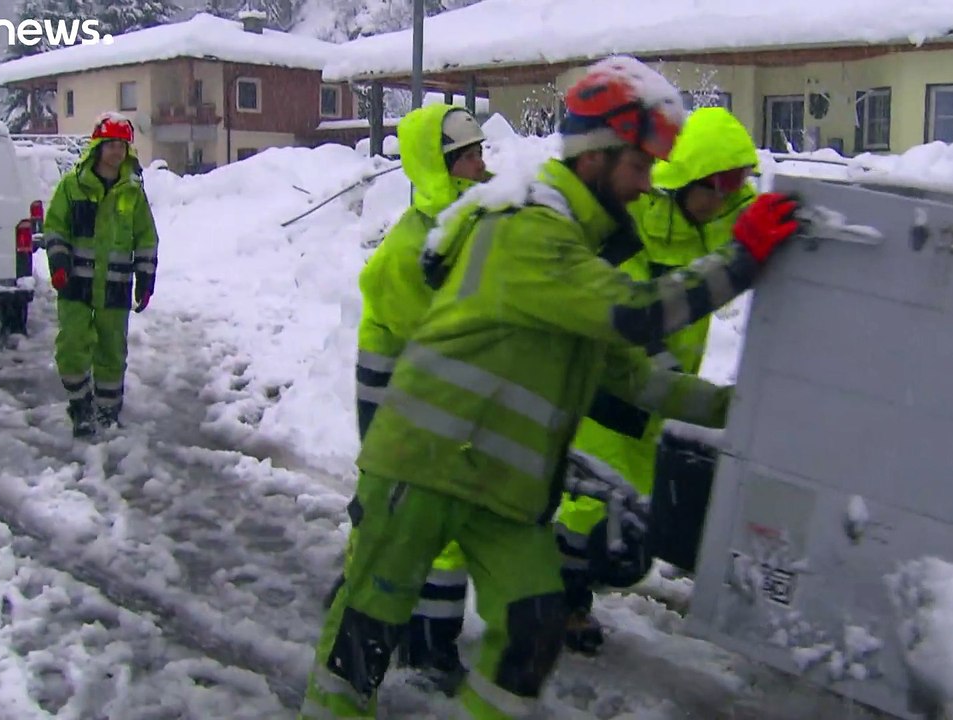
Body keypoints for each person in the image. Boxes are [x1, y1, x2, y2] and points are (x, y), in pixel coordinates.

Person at [300, 54, 802, 720]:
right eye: (638, 164)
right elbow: (636, 312)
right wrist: (739, 261)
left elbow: (630, 375)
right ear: (595, 157)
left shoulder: (576, 247)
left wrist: (743, 412)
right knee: (362, 641)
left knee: (533, 631)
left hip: (501, 492)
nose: (647, 182)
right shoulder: (530, 230)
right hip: (423, 470)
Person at [556, 106, 762, 653]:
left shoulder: (711, 222)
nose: (733, 197)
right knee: (589, 514)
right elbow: (628, 322)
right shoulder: (629, 235)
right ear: (690, 184)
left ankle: (577, 577)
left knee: (631, 522)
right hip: (612, 398)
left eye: (741, 184)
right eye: (724, 186)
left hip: (661, 400)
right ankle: (565, 604)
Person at [348, 102, 490, 690]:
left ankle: (433, 638)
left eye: (483, 152)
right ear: (444, 166)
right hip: (396, 393)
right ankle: (366, 623)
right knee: (395, 512)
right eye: (471, 156)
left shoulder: (471, 226)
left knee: (446, 515)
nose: (484, 165)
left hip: (445, 394)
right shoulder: (411, 249)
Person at [43, 112, 158, 438]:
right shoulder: (72, 186)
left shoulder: (132, 193)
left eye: (122, 146)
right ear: (98, 147)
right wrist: (60, 264)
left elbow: (146, 238)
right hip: (75, 285)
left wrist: (145, 280)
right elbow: (54, 228)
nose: (116, 152)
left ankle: (108, 411)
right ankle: (80, 405)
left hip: (115, 288)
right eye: (111, 145)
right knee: (72, 346)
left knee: (111, 353)